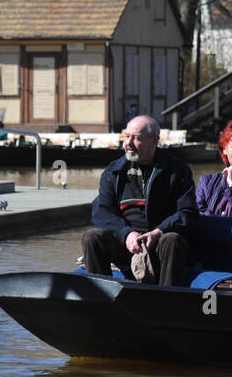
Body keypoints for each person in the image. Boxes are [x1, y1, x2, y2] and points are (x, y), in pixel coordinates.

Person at [81, 115, 198, 287]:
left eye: (136, 138)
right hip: (128, 244)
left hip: (161, 245)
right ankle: (102, 300)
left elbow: (188, 213)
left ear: (155, 141)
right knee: (92, 237)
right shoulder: (114, 172)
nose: (128, 143)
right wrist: (126, 234)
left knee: (172, 240)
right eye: (126, 136)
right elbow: (101, 212)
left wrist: (158, 232)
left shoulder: (177, 171)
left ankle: (168, 303)